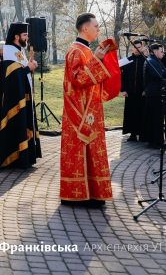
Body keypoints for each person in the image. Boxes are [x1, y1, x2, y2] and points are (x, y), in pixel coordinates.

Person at [60, 13, 120, 207]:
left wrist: (99, 58)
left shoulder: (86, 50)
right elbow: (79, 79)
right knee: (81, 152)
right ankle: (78, 196)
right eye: (96, 26)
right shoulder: (76, 50)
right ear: (85, 28)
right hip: (79, 113)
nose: (98, 29)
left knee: (92, 151)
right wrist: (97, 59)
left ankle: (93, 193)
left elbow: (91, 78)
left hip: (90, 109)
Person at [0, 22, 40, 168]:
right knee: (16, 124)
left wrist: (29, 68)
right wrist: (28, 68)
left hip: (23, 96)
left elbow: (20, 73)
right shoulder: (9, 51)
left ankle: (25, 156)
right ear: (16, 36)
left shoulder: (18, 50)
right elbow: (12, 78)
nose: (27, 38)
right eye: (25, 35)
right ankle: (15, 159)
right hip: (14, 100)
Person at [120, 40, 147, 142]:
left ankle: (142, 134)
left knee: (141, 113)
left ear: (142, 47)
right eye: (135, 47)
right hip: (130, 92)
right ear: (132, 48)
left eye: (139, 47)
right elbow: (122, 77)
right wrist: (123, 90)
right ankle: (132, 134)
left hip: (142, 93)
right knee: (131, 113)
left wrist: (146, 90)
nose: (137, 49)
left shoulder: (146, 60)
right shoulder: (127, 61)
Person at [143, 43, 166, 148]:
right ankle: (156, 142)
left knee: (156, 118)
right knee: (156, 119)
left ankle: (155, 140)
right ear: (155, 51)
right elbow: (159, 75)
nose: (163, 53)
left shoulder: (156, 61)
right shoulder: (151, 61)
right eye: (161, 51)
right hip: (154, 94)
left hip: (155, 93)